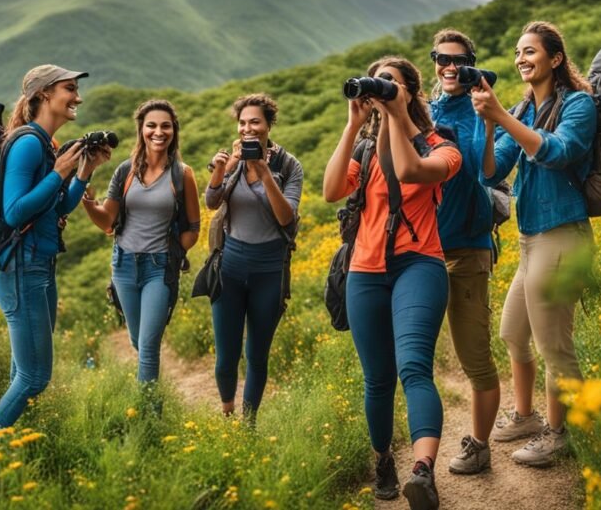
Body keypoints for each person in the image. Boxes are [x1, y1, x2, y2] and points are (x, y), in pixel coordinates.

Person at [323, 57, 461, 510]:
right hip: (364, 271)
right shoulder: (363, 152)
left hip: (418, 264)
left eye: (391, 83)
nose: (381, 88)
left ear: (410, 92)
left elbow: (409, 171)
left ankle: (423, 471)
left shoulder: (443, 145)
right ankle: (384, 459)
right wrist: (352, 125)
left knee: (414, 367)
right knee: (377, 379)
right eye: (376, 82)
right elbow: (329, 191)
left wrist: (397, 116)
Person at [473, 21, 597, 467]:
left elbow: (559, 151)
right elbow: (491, 172)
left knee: (553, 346)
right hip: (531, 240)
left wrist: (501, 117)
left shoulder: (579, 105)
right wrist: (488, 124)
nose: (521, 59)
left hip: (563, 234)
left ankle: (562, 431)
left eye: (530, 51)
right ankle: (525, 416)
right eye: (517, 53)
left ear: (556, 59)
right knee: (514, 333)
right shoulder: (523, 110)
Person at [0, 64, 112, 431]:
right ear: (43, 95)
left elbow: (56, 209)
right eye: (69, 89)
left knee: (22, 374)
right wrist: (59, 173)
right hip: (21, 268)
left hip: (40, 267)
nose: (78, 97)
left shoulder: (48, 145)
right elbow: (13, 213)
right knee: (34, 378)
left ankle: (8, 455)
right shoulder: (28, 144)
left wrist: (84, 172)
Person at [80, 99, 200, 383]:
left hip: (159, 269)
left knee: (148, 347)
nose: (159, 132)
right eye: (152, 126)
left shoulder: (182, 174)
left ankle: (149, 415)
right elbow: (108, 221)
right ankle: (150, 398)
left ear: (174, 131)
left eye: (165, 126)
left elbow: (193, 227)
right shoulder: (125, 171)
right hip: (123, 266)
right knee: (137, 340)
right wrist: (87, 203)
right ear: (141, 130)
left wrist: (175, 253)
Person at [428, 29, 502, 475]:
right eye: (441, 59)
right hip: (421, 250)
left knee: (473, 355)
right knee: (414, 356)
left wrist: (487, 115)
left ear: (471, 62)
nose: (449, 67)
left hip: (466, 249)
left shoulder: (479, 107)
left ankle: (479, 444)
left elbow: (480, 170)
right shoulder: (428, 108)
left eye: (458, 60)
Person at [204, 93, 303, 424]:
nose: (248, 129)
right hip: (230, 266)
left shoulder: (289, 166)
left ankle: (249, 424)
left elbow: (286, 217)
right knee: (226, 356)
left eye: (255, 122)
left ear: (269, 124)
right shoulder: (233, 161)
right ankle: (228, 414)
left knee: (256, 355)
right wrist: (222, 170)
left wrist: (263, 173)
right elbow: (211, 202)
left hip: (270, 269)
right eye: (243, 122)